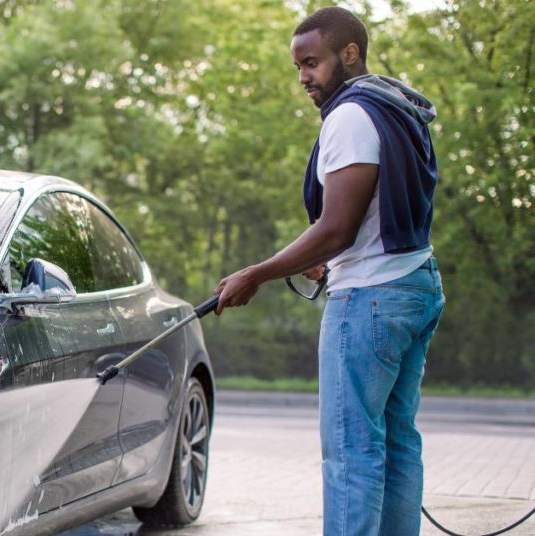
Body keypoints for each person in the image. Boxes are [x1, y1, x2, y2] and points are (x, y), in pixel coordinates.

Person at [212, 6, 445, 536]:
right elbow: (376, 213)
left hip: (371, 300)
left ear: (350, 53)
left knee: (351, 450)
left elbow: (337, 228)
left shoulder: (351, 116)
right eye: (298, 67)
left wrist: (256, 273)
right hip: (414, 284)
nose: (304, 78)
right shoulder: (397, 107)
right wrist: (330, 254)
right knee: (397, 441)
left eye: (311, 63)